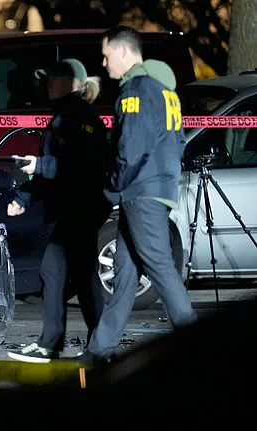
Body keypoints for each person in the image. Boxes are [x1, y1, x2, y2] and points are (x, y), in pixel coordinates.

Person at [81, 26, 197, 364]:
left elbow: (131, 148)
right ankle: (99, 349)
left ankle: (197, 345)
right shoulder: (165, 92)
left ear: (123, 51)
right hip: (154, 188)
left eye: (106, 55)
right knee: (125, 273)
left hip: (140, 191)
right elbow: (176, 142)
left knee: (159, 266)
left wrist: (110, 188)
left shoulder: (136, 90)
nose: (104, 63)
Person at [6, 58, 111, 363]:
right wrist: (24, 197)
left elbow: (81, 167)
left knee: (58, 272)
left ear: (72, 83)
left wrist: (39, 165)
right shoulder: (65, 115)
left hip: (81, 207)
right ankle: (94, 346)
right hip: (73, 208)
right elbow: (54, 172)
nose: (48, 84)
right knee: (78, 276)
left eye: (54, 78)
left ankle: (56, 344)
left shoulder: (78, 117)